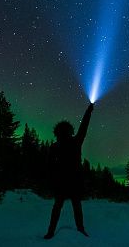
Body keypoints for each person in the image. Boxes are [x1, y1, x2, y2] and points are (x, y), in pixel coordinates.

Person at [44, 102, 94, 239]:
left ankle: (51, 232)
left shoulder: (55, 146)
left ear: (57, 132)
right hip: (73, 181)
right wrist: (89, 111)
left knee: (58, 207)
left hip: (62, 182)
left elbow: (49, 166)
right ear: (69, 131)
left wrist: (52, 179)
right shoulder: (75, 141)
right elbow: (84, 127)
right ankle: (80, 229)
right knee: (76, 206)